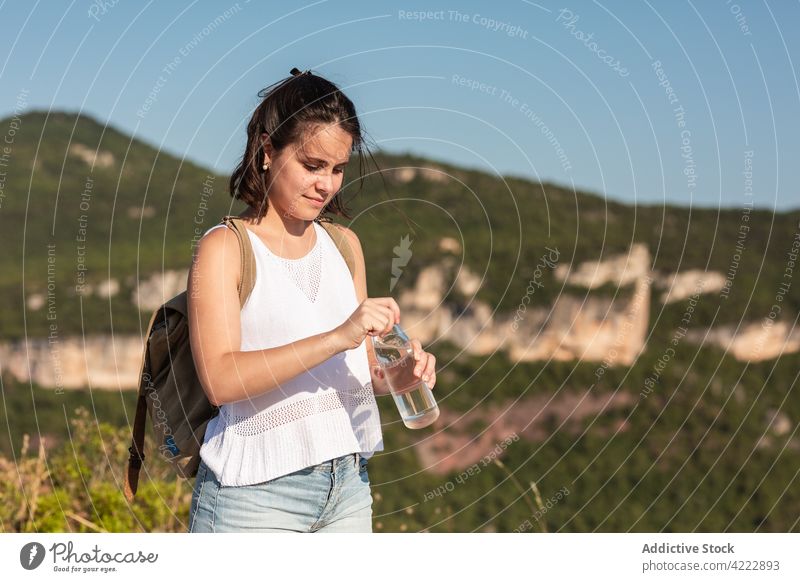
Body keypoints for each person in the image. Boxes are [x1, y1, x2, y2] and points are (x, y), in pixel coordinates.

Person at [186, 68, 437, 533]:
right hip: (253, 498)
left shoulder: (344, 246)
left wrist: (400, 373)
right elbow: (220, 380)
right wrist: (337, 336)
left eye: (338, 169)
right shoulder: (225, 247)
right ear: (267, 151)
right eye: (312, 165)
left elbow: (360, 369)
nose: (326, 184)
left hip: (348, 488)